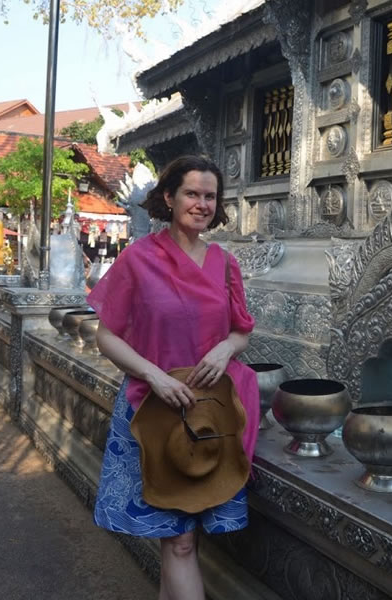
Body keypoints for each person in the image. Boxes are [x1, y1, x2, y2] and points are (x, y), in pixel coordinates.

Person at [87, 155, 259, 600]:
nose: (202, 204)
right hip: (155, 408)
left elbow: (241, 331)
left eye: (210, 196)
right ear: (169, 197)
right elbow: (106, 336)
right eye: (192, 194)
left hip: (214, 416)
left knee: (184, 541)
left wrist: (225, 348)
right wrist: (156, 376)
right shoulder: (138, 259)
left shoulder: (224, 263)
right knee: (179, 539)